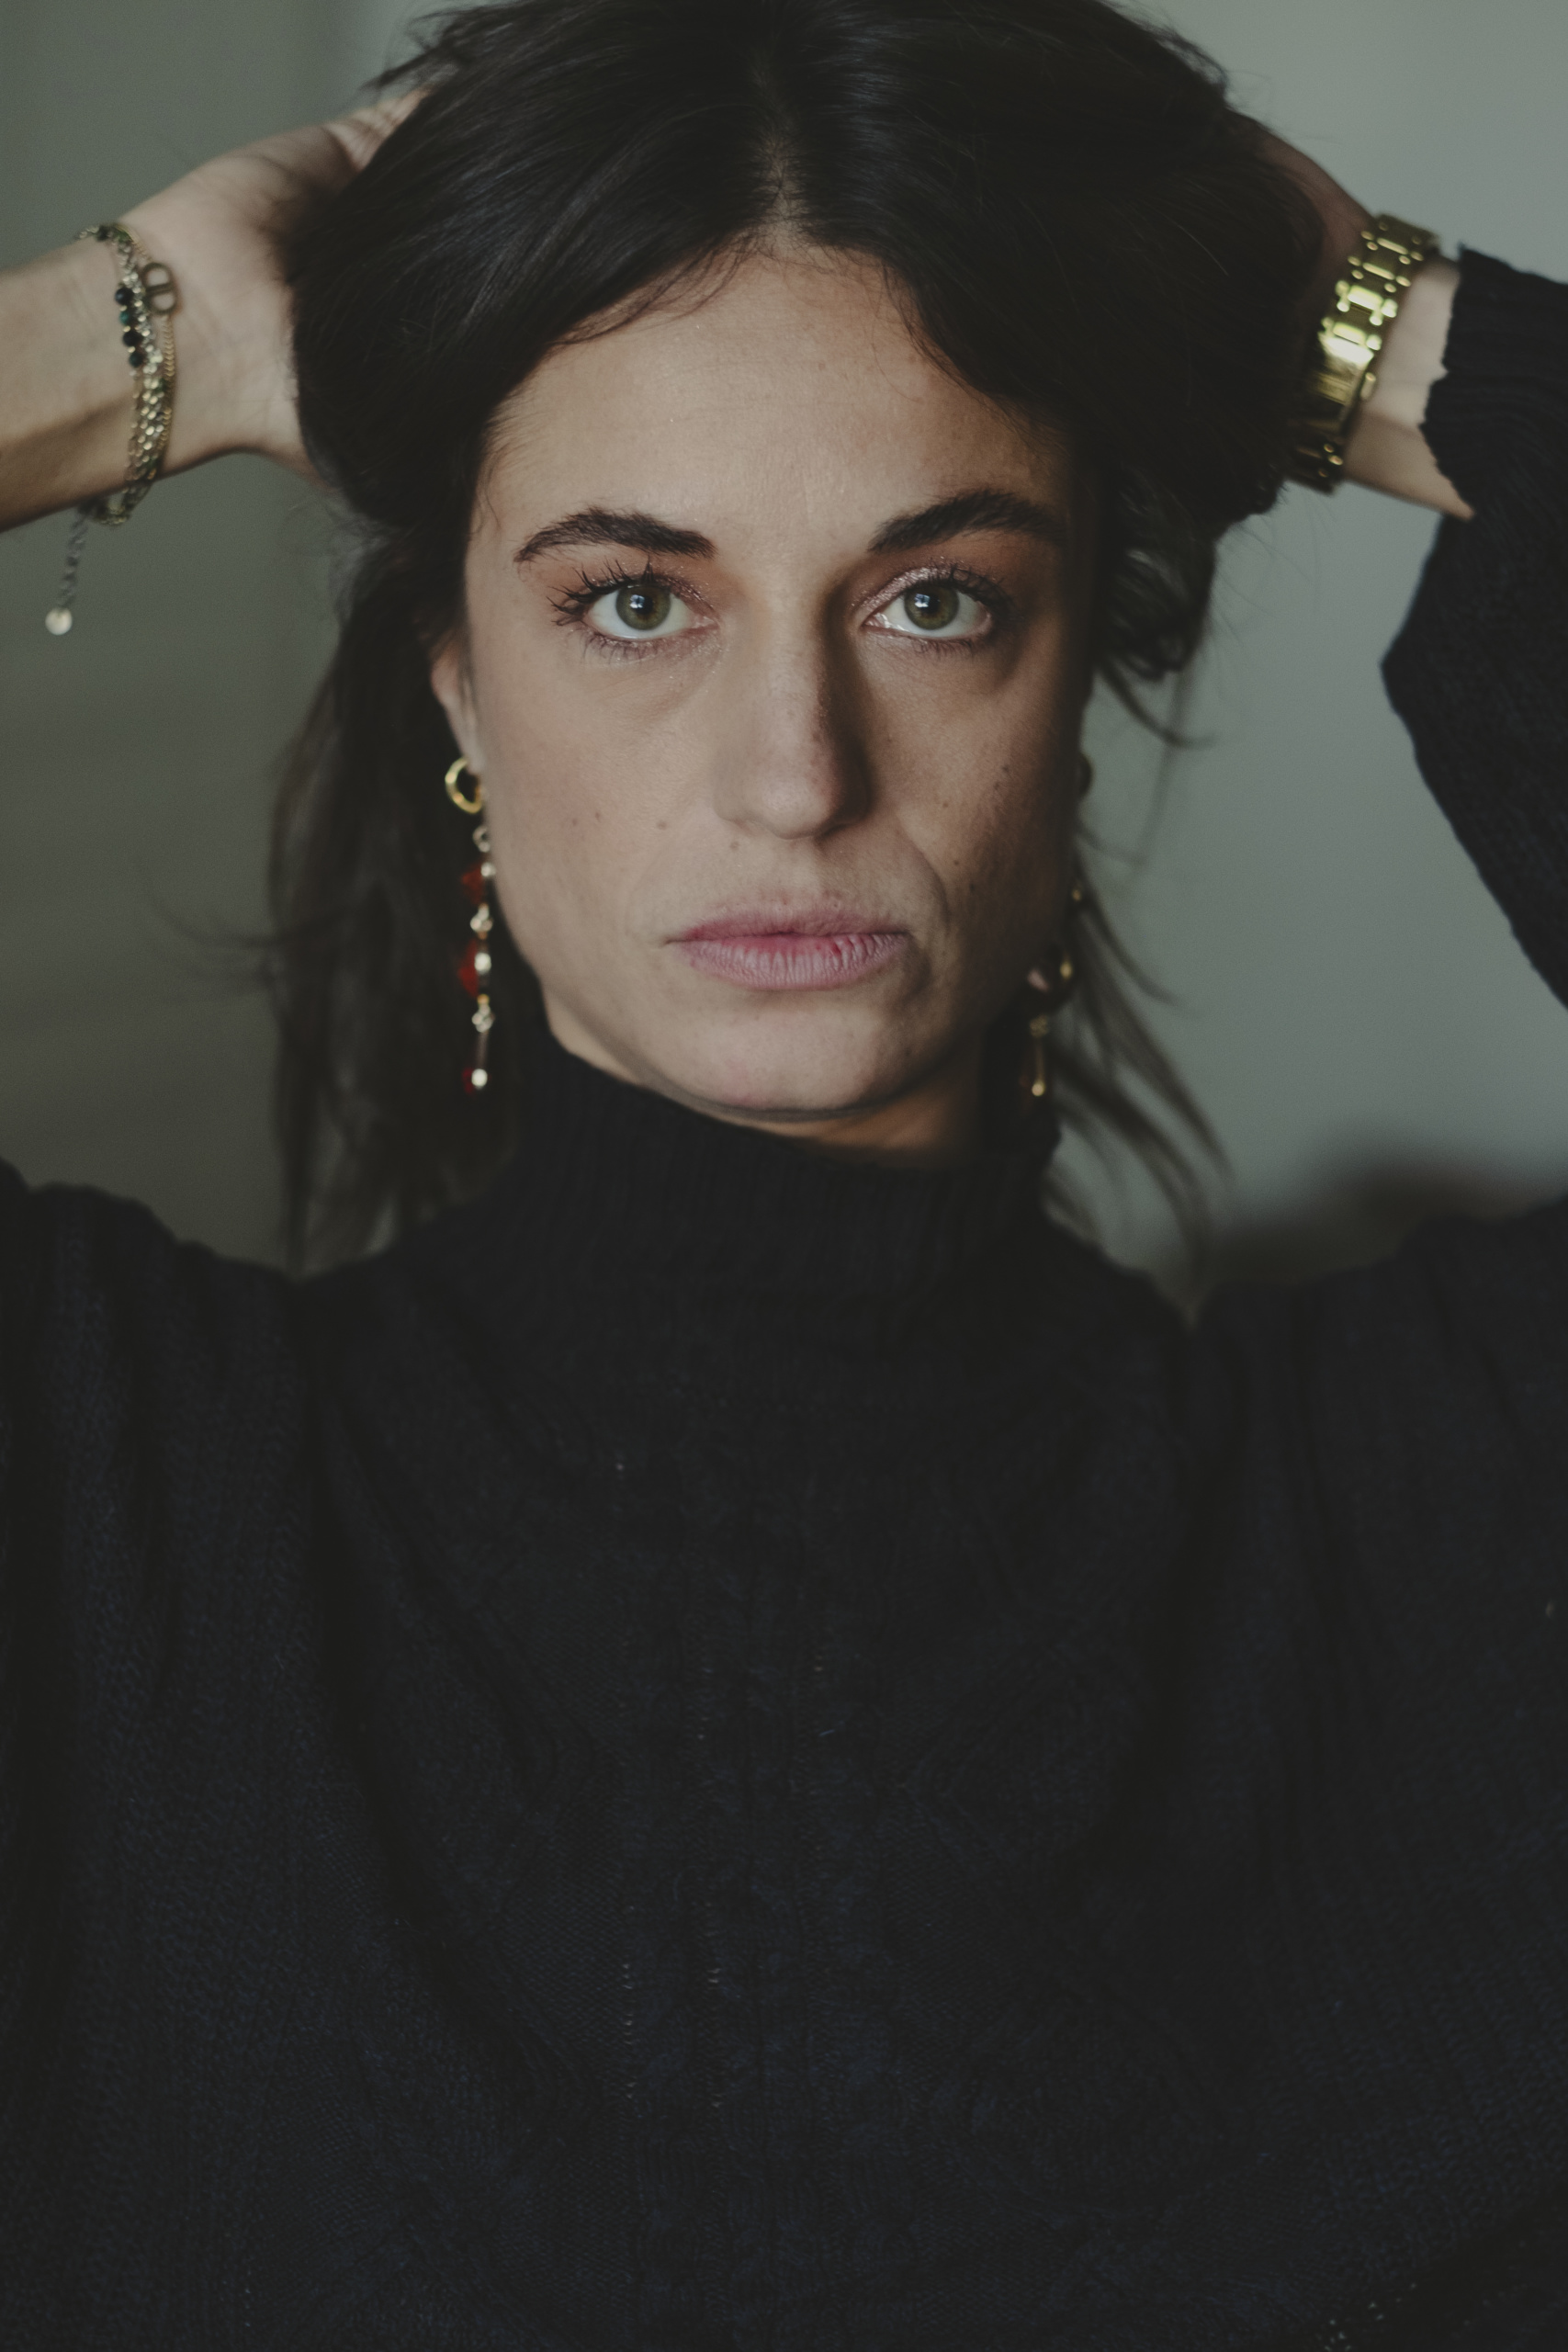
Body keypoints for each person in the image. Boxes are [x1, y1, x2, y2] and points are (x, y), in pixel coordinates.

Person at [1, 1, 1564, 2343]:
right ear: (455, 677)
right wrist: (142, 333)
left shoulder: (1455, 1520)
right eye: (634, 597)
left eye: (935, 596)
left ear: (1074, 682)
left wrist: (1373, 329)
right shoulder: (110, 1506)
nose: (793, 772)